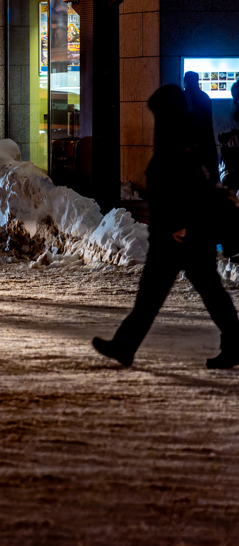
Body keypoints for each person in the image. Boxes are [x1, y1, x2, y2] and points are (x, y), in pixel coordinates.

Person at [93, 84, 239, 369]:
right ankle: (125, 345)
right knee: (196, 293)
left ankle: (125, 345)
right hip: (182, 234)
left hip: (180, 236)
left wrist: (179, 226)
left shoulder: (177, 139)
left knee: (175, 294)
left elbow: (185, 186)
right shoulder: (184, 134)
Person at [183, 71, 219, 182]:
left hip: (189, 147)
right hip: (206, 145)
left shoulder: (183, 97)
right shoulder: (205, 97)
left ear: (185, 81)